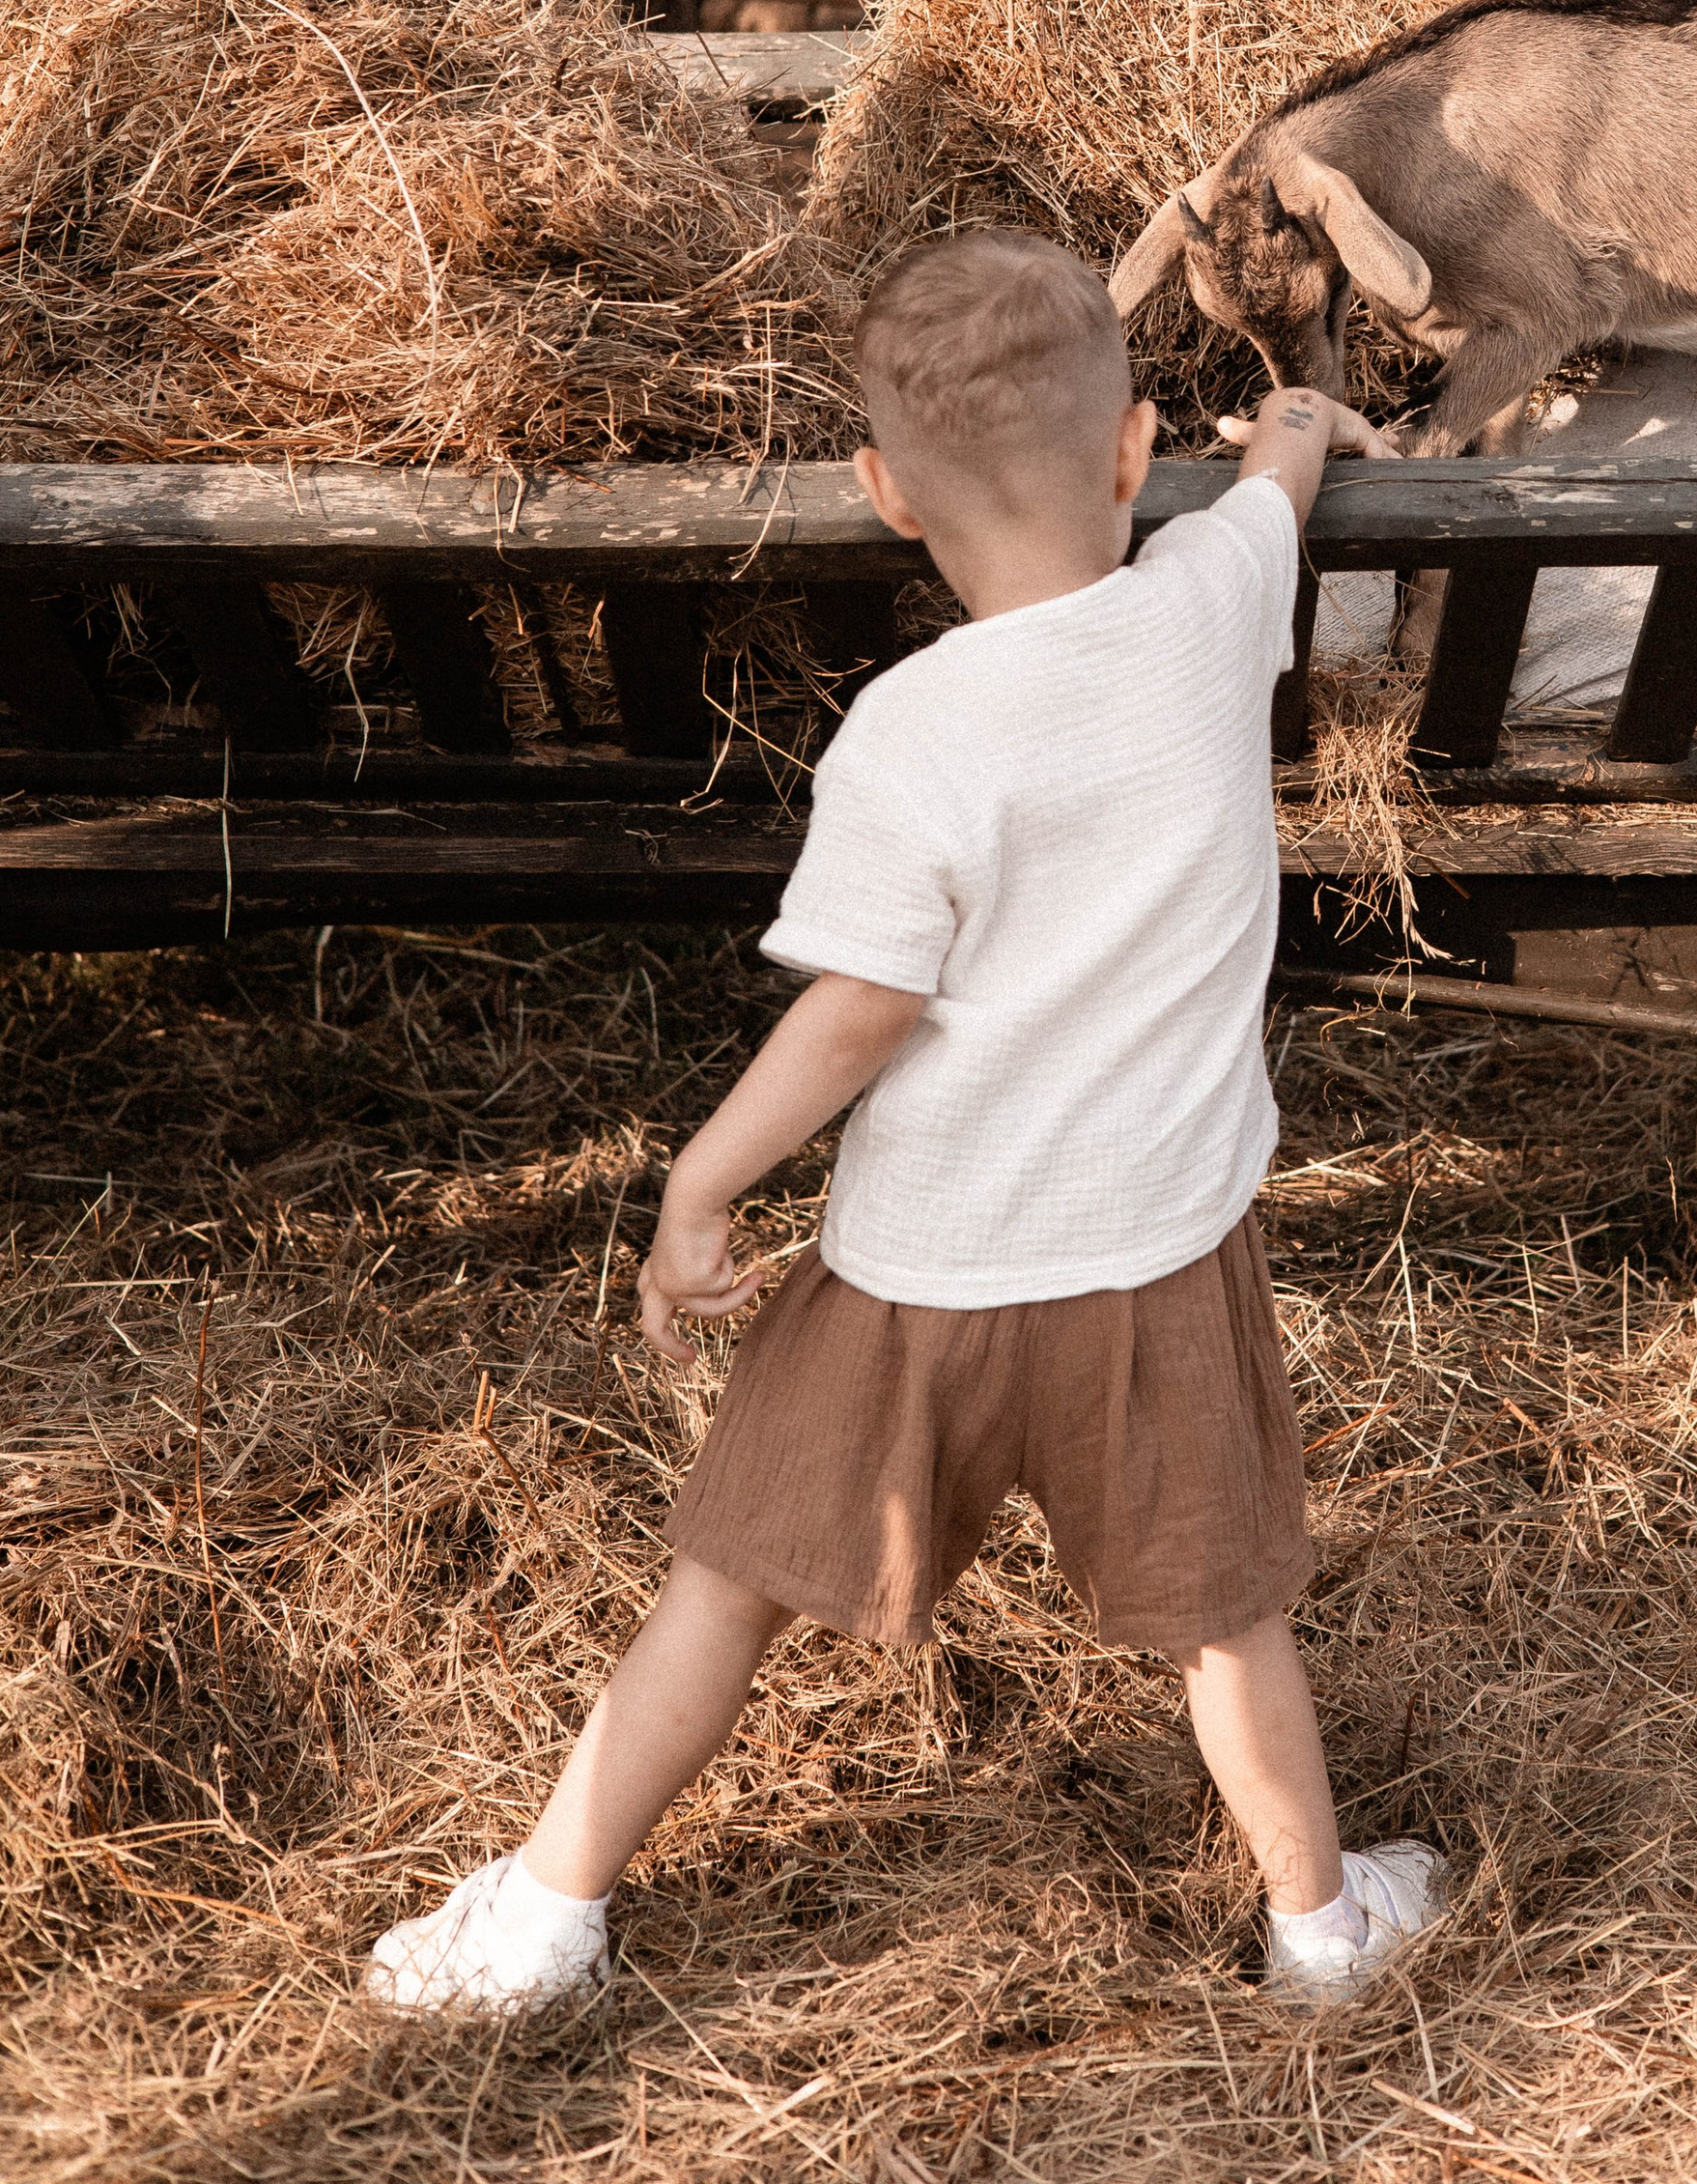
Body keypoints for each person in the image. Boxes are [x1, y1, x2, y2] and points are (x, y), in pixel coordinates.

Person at [364, 228, 1447, 2015]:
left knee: (725, 1582)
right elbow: (1274, 486)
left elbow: (859, 1013)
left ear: (882, 492)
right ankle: (1322, 1926)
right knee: (1222, 1612)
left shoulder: (905, 733)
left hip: (917, 1277)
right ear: (1127, 450)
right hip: (1155, 1257)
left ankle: (549, 1914)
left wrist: (701, 1184)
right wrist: (1293, 433)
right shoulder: (1209, 602)